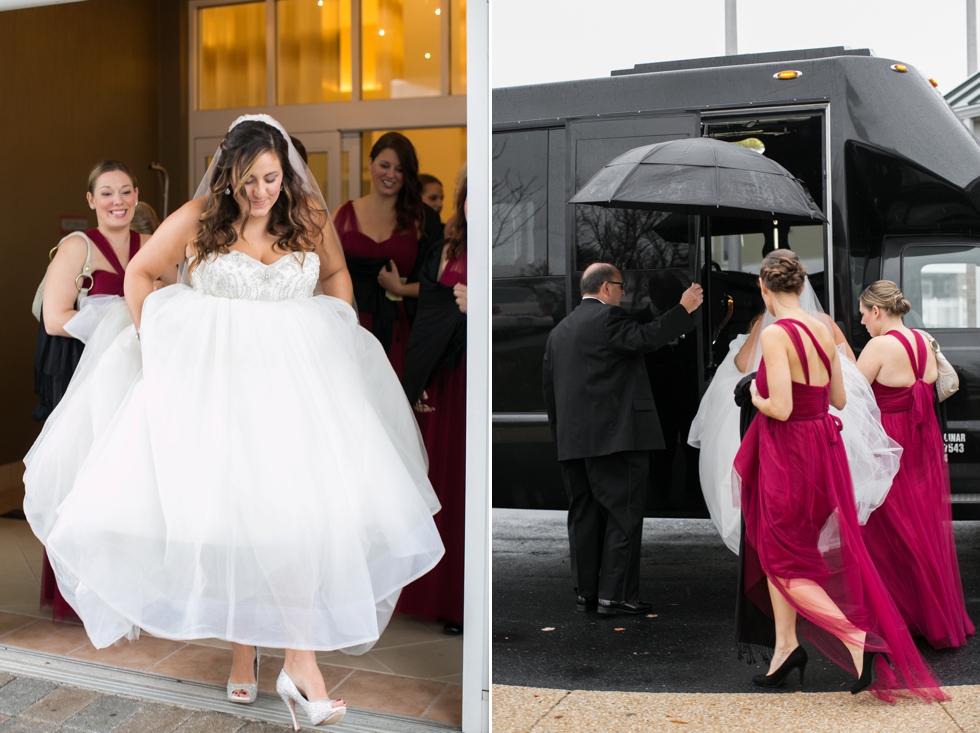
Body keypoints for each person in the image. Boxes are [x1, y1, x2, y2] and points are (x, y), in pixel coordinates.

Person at [24, 115, 444, 729]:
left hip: (296, 395)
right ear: (229, 176)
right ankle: (247, 656)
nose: (260, 192)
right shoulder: (199, 215)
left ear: (286, 172)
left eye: (271, 179)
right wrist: (155, 336)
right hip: (218, 393)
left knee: (298, 521)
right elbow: (142, 274)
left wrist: (335, 327)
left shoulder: (306, 215)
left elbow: (333, 276)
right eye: (248, 181)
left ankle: (301, 663)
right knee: (234, 523)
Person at [733, 250, 945, 701]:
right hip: (822, 450)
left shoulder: (777, 334)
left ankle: (856, 640)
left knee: (778, 555)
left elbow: (781, 407)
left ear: (765, 290)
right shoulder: (822, 329)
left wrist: (753, 392)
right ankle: (785, 649)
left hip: (788, 452)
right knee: (792, 547)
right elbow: (840, 399)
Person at [689, 278, 900, 553]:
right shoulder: (824, 323)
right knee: (818, 501)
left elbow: (743, 365)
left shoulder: (769, 327)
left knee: (784, 508)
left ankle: (787, 566)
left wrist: (755, 392)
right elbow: (850, 370)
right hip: (827, 424)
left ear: (766, 288)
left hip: (788, 427)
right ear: (803, 288)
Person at [33, 159, 158, 622]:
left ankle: (135, 591)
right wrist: (113, 322)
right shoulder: (76, 247)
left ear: (137, 195)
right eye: (107, 193)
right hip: (81, 369)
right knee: (82, 477)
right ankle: (78, 594)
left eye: (125, 192)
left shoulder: (150, 245)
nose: (118, 201)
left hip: (135, 375)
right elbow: (53, 317)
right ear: (91, 200)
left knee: (130, 477)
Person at [542, 264, 701, 615]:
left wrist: (560, 438)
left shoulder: (559, 332)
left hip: (573, 443)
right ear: (604, 288)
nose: (624, 293)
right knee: (623, 515)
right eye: (620, 286)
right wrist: (684, 308)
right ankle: (615, 596)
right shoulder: (609, 320)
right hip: (617, 440)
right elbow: (646, 338)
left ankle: (587, 593)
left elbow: (549, 393)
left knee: (583, 517)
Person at [856, 281, 974, 649]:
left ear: (877, 311)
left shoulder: (878, 345)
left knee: (886, 530)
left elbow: (853, 396)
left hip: (890, 443)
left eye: (863, 314)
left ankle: (900, 618)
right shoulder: (922, 341)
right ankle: (930, 616)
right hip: (920, 439)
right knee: (919, 527)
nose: (861, 322)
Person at [400, 177, 468, 635]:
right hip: (441, 378)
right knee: (436, 481)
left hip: (471, 377)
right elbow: (428, 315)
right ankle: (433, 594)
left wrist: (478, 305)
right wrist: (417, 379)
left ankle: (465, 604)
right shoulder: (444, 249)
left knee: (465, 486)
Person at [332, 132, 440, 378]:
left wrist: (401, 289)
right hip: (350, 327)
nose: (391, 174)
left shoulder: (421, 220)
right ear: (370, 164)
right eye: (384, 165)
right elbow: (324, 275)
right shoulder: (340, 216)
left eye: (399, 169)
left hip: (401, 329)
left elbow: (439, 284)